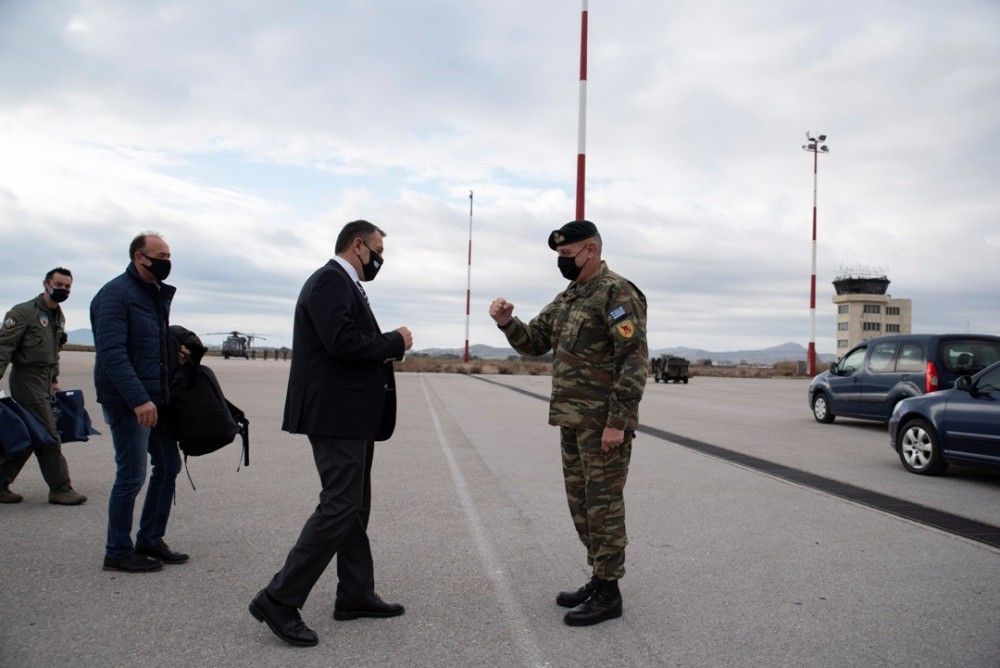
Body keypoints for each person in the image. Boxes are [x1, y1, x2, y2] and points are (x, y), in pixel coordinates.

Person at [250, 220, 412, 647]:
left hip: (351, 416)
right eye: (377, 250)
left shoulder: (345, 284)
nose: (380, 259)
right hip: (335, 415)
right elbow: (342, 342)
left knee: (354, 505)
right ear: (358, 245)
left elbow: (346, 340)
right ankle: (279, 599)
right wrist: (394, 340)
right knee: (340, 504)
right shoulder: (329, 281)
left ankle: (355, 593)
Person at [489, 220, 647, 627]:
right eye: (559, 256)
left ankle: (609, 591)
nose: (561, 263)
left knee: (604, 507)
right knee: (581, 506)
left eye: (566, 255)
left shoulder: (617, 293)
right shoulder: (570, 297)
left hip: (603, 425)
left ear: (590, 250)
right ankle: (598, 576)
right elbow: (535, 342)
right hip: (573, 421)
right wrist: (508, 322)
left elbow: (632, 361)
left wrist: (618, 421)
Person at [90, 232, 187, 573]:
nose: (166, 260)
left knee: (168, 466)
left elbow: (147, 345)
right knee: (131, 475)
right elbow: (113, 354)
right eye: (160, 254)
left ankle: (149, 539)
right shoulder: (116, 295)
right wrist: (139, 399)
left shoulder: (153, 295)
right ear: (138, 257)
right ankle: (117, 551)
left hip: (153, 400)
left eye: (169, 254)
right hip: (128, 401)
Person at [0, 268, 87, 505]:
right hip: (26, 380)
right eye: (59, 284)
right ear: (46, 283)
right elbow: (3, 348)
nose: (63, 290)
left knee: (31, 434)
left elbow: (54, 353)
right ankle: (60, 488)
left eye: (68, 287)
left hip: (44, 381)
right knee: (48, 436)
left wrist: (54, 381)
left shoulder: (58, 316)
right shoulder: (23, 313)